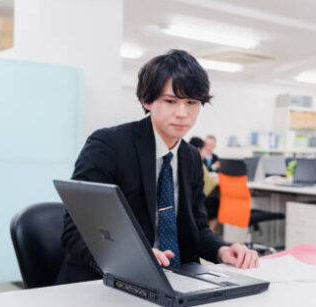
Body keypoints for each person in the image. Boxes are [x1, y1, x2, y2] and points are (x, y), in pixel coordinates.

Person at [57, 50, 259, 285]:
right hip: (108, 283)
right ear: (147, 100)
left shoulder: (190, 157)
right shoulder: (108, 145)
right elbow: (76, 231)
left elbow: (197, 228)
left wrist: (222, 250)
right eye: (171, 101)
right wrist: (131, 259)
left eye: (192, 103)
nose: (182, 113)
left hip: (174, 280)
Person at [189, 136, 220, 232]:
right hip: (196, 200)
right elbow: (206, 186)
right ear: (199, 149)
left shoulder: (186, 159)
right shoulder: (199, 163)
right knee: (216, 204)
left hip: (189, 200)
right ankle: (210, 233)